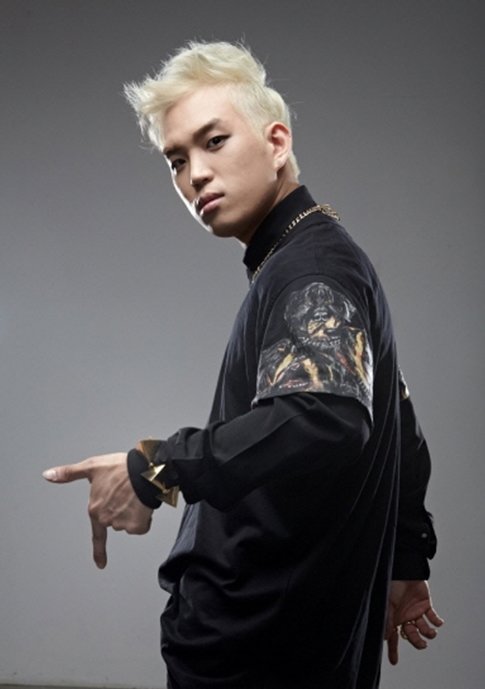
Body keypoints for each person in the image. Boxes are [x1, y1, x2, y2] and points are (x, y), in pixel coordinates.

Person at [43, 41, 443, 689]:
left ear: (276, 142)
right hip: (288, 643)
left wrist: (154, 469)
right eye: (177, 159)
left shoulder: (310, 269)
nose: (195, 175)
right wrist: (404, 555)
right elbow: (397, 418)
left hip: (258, 651)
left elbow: (323, 416)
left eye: (214, 141)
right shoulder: (311, 259)